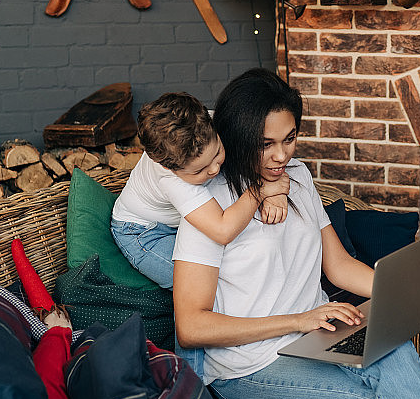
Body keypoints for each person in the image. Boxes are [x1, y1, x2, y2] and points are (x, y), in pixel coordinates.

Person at [172, 68, 420, 399]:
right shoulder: (210, 210)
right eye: (265, 144)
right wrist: (299, 320)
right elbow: (191, 327)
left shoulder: (299, 177)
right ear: (239, 138)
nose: (281, 155)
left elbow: (338, 266)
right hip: (249, 367)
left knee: (397, 351)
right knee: (388, 398)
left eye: (289, 138)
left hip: (320, 338)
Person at [110, 92, 289, 378]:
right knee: (201, 294)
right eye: (201, 171)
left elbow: (271, 151)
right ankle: (192, 381)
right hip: (144, 234)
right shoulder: (171, 178)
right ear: (173, 168)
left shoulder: (206, 124)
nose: (215, 169)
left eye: (217, 153)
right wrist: (261, 190)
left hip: (185, 223)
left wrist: (278, 189)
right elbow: (223, 229)